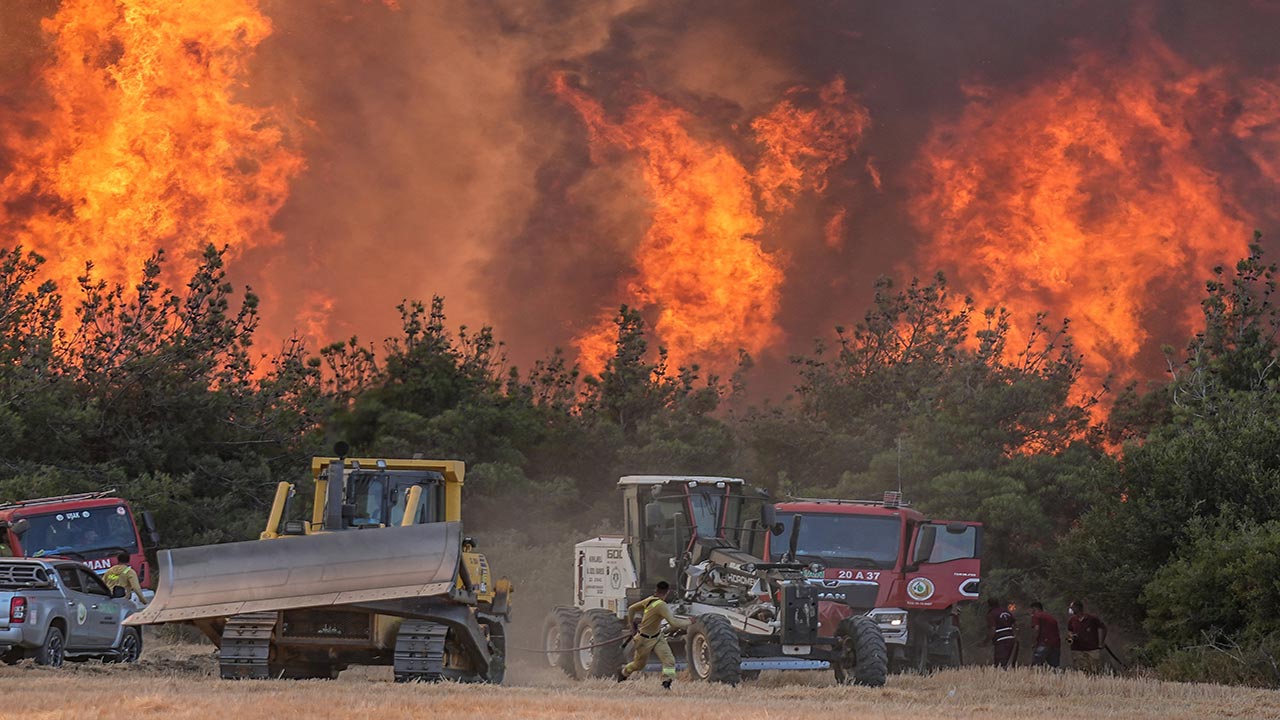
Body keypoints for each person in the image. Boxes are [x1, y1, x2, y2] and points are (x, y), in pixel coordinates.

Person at [617, 580, 690, 689]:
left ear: (656, 590)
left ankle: (666, 683)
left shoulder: (649, 600)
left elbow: (631, 609)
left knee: (669, 661)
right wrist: (690, 621)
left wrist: (631, 626)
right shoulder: (661, 605)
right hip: (643, 640)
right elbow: (674, 622)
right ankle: (624, 672)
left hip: (657, 637)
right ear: (667, 592)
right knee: (638, 665)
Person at [1067, 600, 1107, 673]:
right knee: (1082, 671)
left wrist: (1101, 642)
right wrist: (1071, 636)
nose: (1070, 610)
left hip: (1092, 649)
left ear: (1078, 608)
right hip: (1077, 649)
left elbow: (1103, 628)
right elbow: (1070, 630)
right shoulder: (1072, 620)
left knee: (1095, 670)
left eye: (1072, 607)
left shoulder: (1092, 619)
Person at [986, 597, 1017, 668]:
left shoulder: (991, 614)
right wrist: (1015, 637)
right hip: (1011, 639)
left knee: (1000, 663)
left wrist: (986, 641)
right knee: (1008, 662)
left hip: (1001, 641)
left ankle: (1001, 676)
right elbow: (1016, 626)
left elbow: (993, 629)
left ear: (989, 605)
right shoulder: (1007, 612)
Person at [1029, 601, 1061, 668]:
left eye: (1032, 609)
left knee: (1036, 666)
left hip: (1044, 643)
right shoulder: (1051, 618)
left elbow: (1036, 629)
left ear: (1035, 608)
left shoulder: (1036, 616)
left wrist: (1034, 642)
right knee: (1054, 667)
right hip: (1056, 644)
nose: (1031, 612)